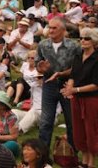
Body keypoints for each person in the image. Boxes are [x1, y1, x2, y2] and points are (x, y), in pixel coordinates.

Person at [36, 17, 81, 149]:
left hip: (67, 85)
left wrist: (62, 74)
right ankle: (42, 155)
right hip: (49, 84)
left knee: (71, 121)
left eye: (54, 28)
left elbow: (80, 67)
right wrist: (40, 67)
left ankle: (73, 154)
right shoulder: (43, 44)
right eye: (50, 27)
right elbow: (38, 63)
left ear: (63, 30)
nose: (51, 30)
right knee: (45, 122)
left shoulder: (74, 46)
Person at [60, 27, 98, 168]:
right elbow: (73, 75)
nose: (83, 40)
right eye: (81, 38)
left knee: (91, 130)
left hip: (92, 100)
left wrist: (74, 89)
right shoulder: (78, 56)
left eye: (87, 38)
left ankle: (91, 163)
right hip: (76, 99)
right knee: (78, 131)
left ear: (94, 41)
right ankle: (84, 160)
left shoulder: (97, 58)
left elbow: (95, 84)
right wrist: (69, 88)